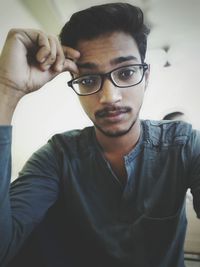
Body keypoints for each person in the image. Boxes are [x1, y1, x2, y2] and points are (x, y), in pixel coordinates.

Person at [0, 3, 199, 267]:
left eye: (126, 73)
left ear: (146, 76)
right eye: (89, 79)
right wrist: (7, 89)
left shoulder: (183, 145)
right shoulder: (57, 157)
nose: (109, 97)